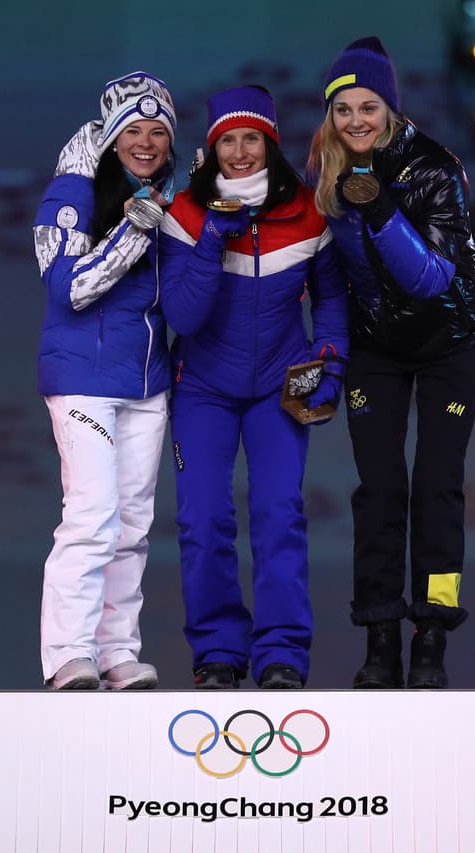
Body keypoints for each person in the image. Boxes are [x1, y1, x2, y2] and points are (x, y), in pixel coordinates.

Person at [308, 37, 475, 689]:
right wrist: (328, 361)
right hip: (376, 348)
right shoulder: (324, 173)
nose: (356, 121)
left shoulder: (434, 168)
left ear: (390, 108)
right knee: (380, 488)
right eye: (343, 109)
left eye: (368, 107)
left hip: (451, 341)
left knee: (437, 485)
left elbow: (430, 281)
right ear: (330, 116)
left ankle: (432, 634)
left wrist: (379, 207)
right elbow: (329, 281)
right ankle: (381, 635)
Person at [158, 85, 349, 690]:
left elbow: (334, 299)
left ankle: (281, 656)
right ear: (212, 150)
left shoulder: (309, 211)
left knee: (278, 515)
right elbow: (182, 319)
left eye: (251, 140)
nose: (240, 153)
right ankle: (218, 652)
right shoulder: (185, 213)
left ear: (269, 143)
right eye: (227, 142)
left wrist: (329, 362)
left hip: (280, 388)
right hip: (203, 390)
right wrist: (214, 234)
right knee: (204, 519)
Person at [31, 72, 178, 691]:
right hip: (85, 378)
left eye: (158, 132)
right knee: (92, 515)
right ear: (112, 137)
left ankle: (116, 651)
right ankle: (68, 652)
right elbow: (68, 287)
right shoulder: (75, 188)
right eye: (134, 131)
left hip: (147, 380)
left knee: (134, 523)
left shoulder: (170, 194)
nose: (146, 143)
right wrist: (135, 229)